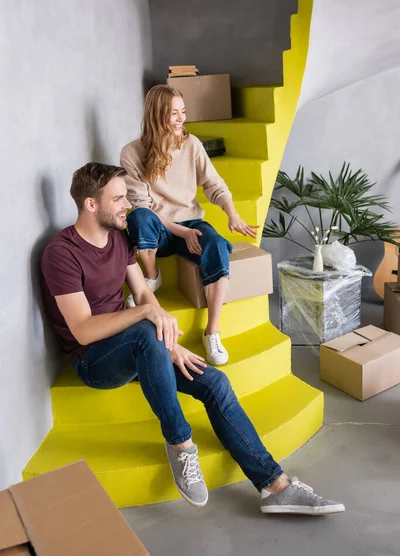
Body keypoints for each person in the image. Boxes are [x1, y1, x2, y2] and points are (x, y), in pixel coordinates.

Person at [40, 162, 345, 516]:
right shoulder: (61, 253)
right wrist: (149, 322)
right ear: (91, 204)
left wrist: (169, 340)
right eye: (119, 198)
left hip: (139, 344)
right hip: (93, 359)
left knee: (215, 381)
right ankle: (180, 443)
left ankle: (275, 485)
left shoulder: (118, 239)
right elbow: (83, 329)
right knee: (144, 332)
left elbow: (142, 293)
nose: (128, 205)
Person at [120, 84, 258, 366]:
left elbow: (213, 183)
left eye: (183, 111)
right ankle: (152, 275)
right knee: (138, 218)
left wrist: (232, 213)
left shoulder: (192, 145)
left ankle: (212, 332)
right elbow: (142, 205)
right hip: (160, 229)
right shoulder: (132, 153)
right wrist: (182, 232)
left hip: (192, 221)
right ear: (156, 115)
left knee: (217, 246)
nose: (181, 118)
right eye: (173, 113)